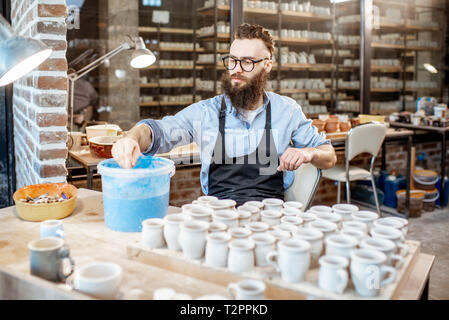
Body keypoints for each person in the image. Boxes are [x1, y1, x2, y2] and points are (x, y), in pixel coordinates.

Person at [112, 23, 336, 206]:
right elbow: (156, 132)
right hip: (218, 214)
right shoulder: (206, 113)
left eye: (247, 62)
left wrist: (308, 153)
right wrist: (131, 138)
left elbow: (329, 156)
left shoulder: (286, 111)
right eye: (232, 60)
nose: (236, 69)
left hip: (271, 216)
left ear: (267, 65)